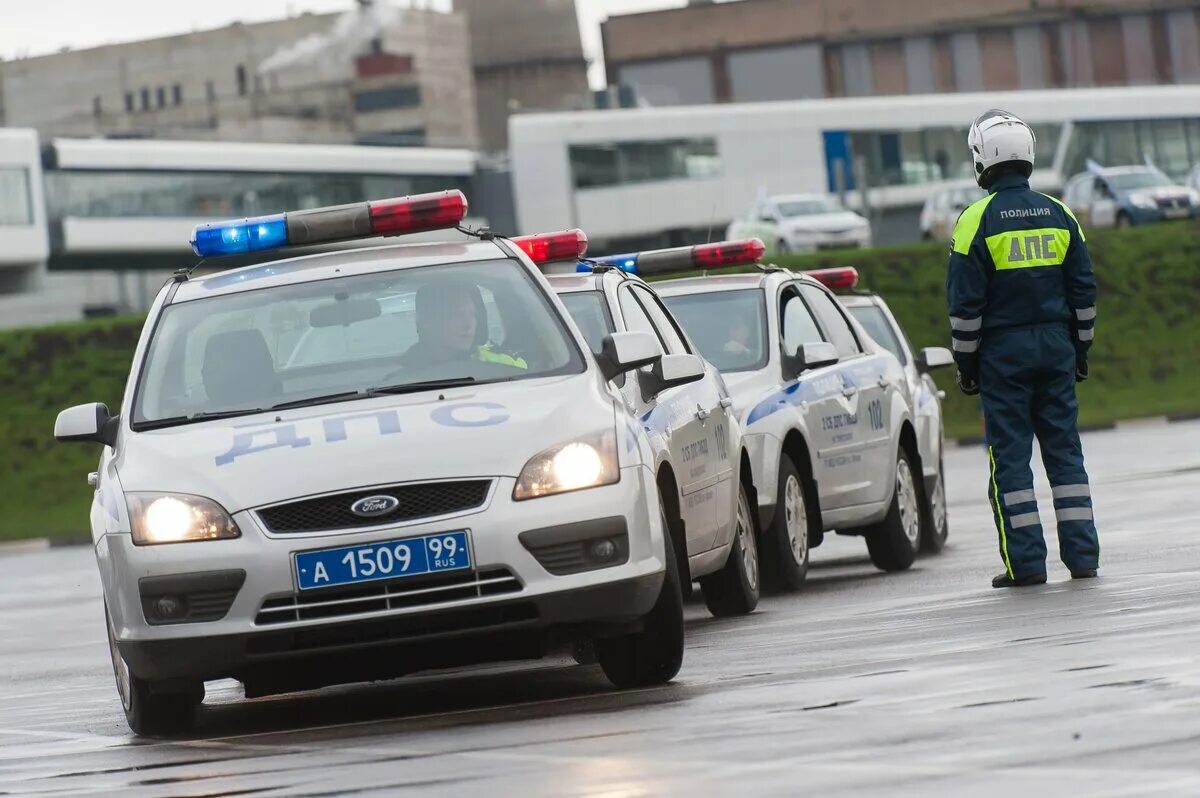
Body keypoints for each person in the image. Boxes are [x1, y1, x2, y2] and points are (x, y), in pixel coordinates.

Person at [946, 109, 1099, 589]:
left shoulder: (975, 221)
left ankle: (1026, 565)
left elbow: (964, 309)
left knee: (1010, 459)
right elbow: (1084, 294)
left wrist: (967, 367)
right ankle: (1083, 559)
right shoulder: (1061, 213)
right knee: (1065, 455)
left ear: (982, 159)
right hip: (1056, 349)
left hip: (1002, 357)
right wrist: (1080, 352)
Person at [400, 280, 526, 371]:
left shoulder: (508, 366)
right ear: (428, 320)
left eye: (473, 315)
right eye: (458, 315)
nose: (468, 324)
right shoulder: (400, 379)